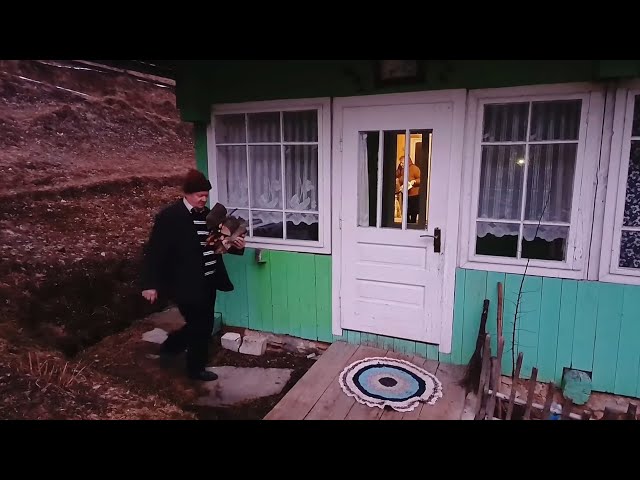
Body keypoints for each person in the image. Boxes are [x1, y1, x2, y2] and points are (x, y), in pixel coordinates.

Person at [140, 169, 245, 381]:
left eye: (205, 195)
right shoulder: (170, 217)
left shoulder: (210, 216)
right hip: (184, 283)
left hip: (209, 280)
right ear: (186, 194)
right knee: (199, 325)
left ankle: (177, 351)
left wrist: (236, 245)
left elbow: (217, 245)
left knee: (204, 325)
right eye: (199, 195)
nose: (203, 199)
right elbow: (155, 251)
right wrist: (149, 284)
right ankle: (189, 364)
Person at [396, 156, 421, 224]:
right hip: (405, 193)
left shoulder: (415, 169)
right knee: (405, 211)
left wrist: (414, 181)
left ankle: (413, 225)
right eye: (400, 163)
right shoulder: (402, 169)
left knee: (413, 212)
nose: (401, 164)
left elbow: (420, 179)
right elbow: (397, 175)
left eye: (402, 163)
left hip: (413, 194)